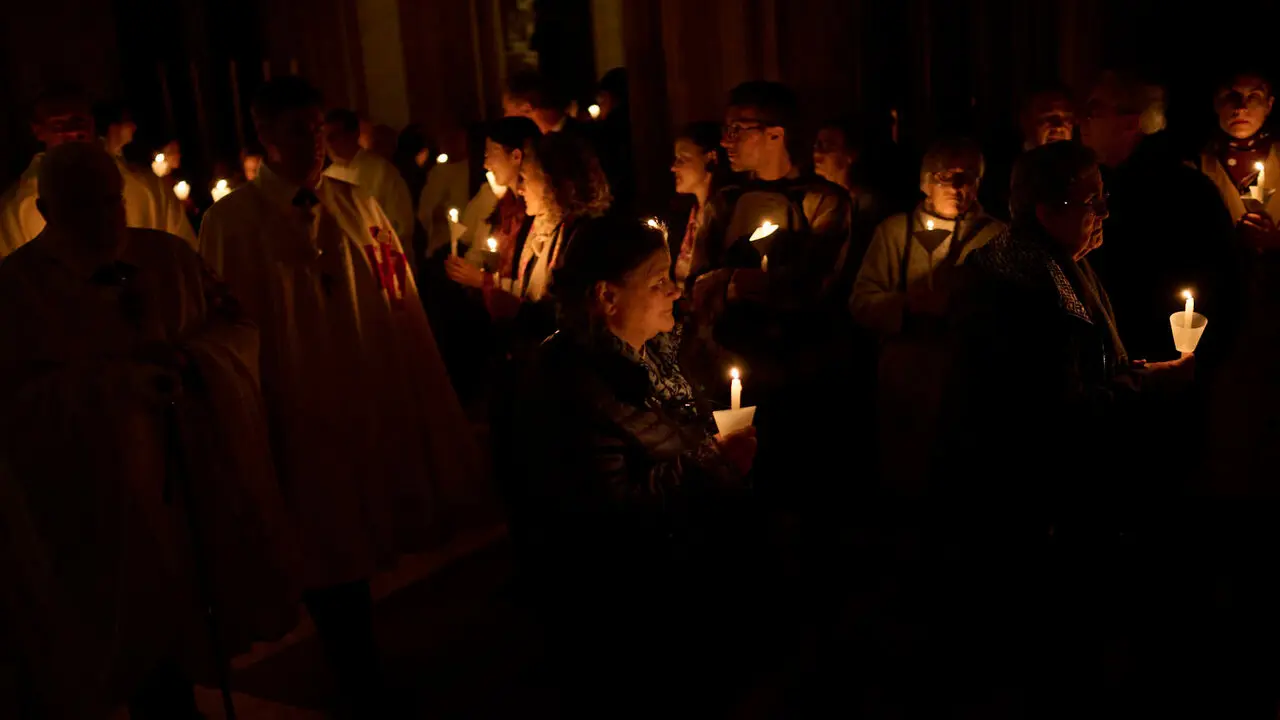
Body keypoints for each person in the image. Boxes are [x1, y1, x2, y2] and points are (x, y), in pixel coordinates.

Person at [198, 76, 487, 710]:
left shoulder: (360, 205)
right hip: (296, 404)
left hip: (363, 393)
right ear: (266, 136)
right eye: (300, 130)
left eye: (321, 126)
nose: (318, 142)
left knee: (362, 538)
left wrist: (409, 383)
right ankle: (354, 674)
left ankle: (368, 662)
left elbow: (397, 298)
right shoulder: (231, 223)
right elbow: (226, 329)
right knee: (322, 542)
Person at [0, 142, 297, 718]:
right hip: (97, 501)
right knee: (130, 644)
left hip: (190, 478)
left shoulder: (170, 258)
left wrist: (197, 362)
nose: (103, 219)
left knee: (188, 627)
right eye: (82, 207)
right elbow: (13, 404)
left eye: (110, 202)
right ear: (46, 210)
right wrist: (109, 388)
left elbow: (235, 324)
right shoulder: (16, 291)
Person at [512, 216, 756, 715]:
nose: (674, 289)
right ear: (607, 297)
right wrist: (712, 461)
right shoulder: (574, 386)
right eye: (657, 281)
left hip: (687, 585)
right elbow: (611, 513)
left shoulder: (651, 354)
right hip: (634, 615)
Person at [687, 80, 851, 504]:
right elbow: (700, 278)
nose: (726, 141)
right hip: (728, 360)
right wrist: (727, 284)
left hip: (798, 368)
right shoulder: (724, 200)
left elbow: (814, 284)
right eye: (726, 129)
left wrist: (745, 282)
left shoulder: (823, 200)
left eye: (738, 129)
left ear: (776, 134)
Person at [851, 137, 1005, 490]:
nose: (956, 186)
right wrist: (907, 305)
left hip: (968, 376)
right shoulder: (894, 233)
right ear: (924, 183)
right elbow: (862, 301)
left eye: (966, 177)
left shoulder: (997, 237)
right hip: (904, 378)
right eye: (944, 176)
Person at [0, 93, 195, 259]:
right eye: (59, 124)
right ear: (38, 130)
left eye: (79, 120)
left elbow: (187, 257)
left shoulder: (148, 189)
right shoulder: (17, 208)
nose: (73, 131)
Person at [323, 108, 416, 264]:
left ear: (353, 134)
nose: (328, 144)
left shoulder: (381, 171)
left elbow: (402, 224)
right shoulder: (327, 176)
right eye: (325, 138)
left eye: (334, 136)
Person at [668, 121, 731, 288]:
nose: (674, 168)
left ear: (711, 157)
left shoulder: (726, 216)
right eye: (675, 159)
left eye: (683, 159)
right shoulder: (686, 216)